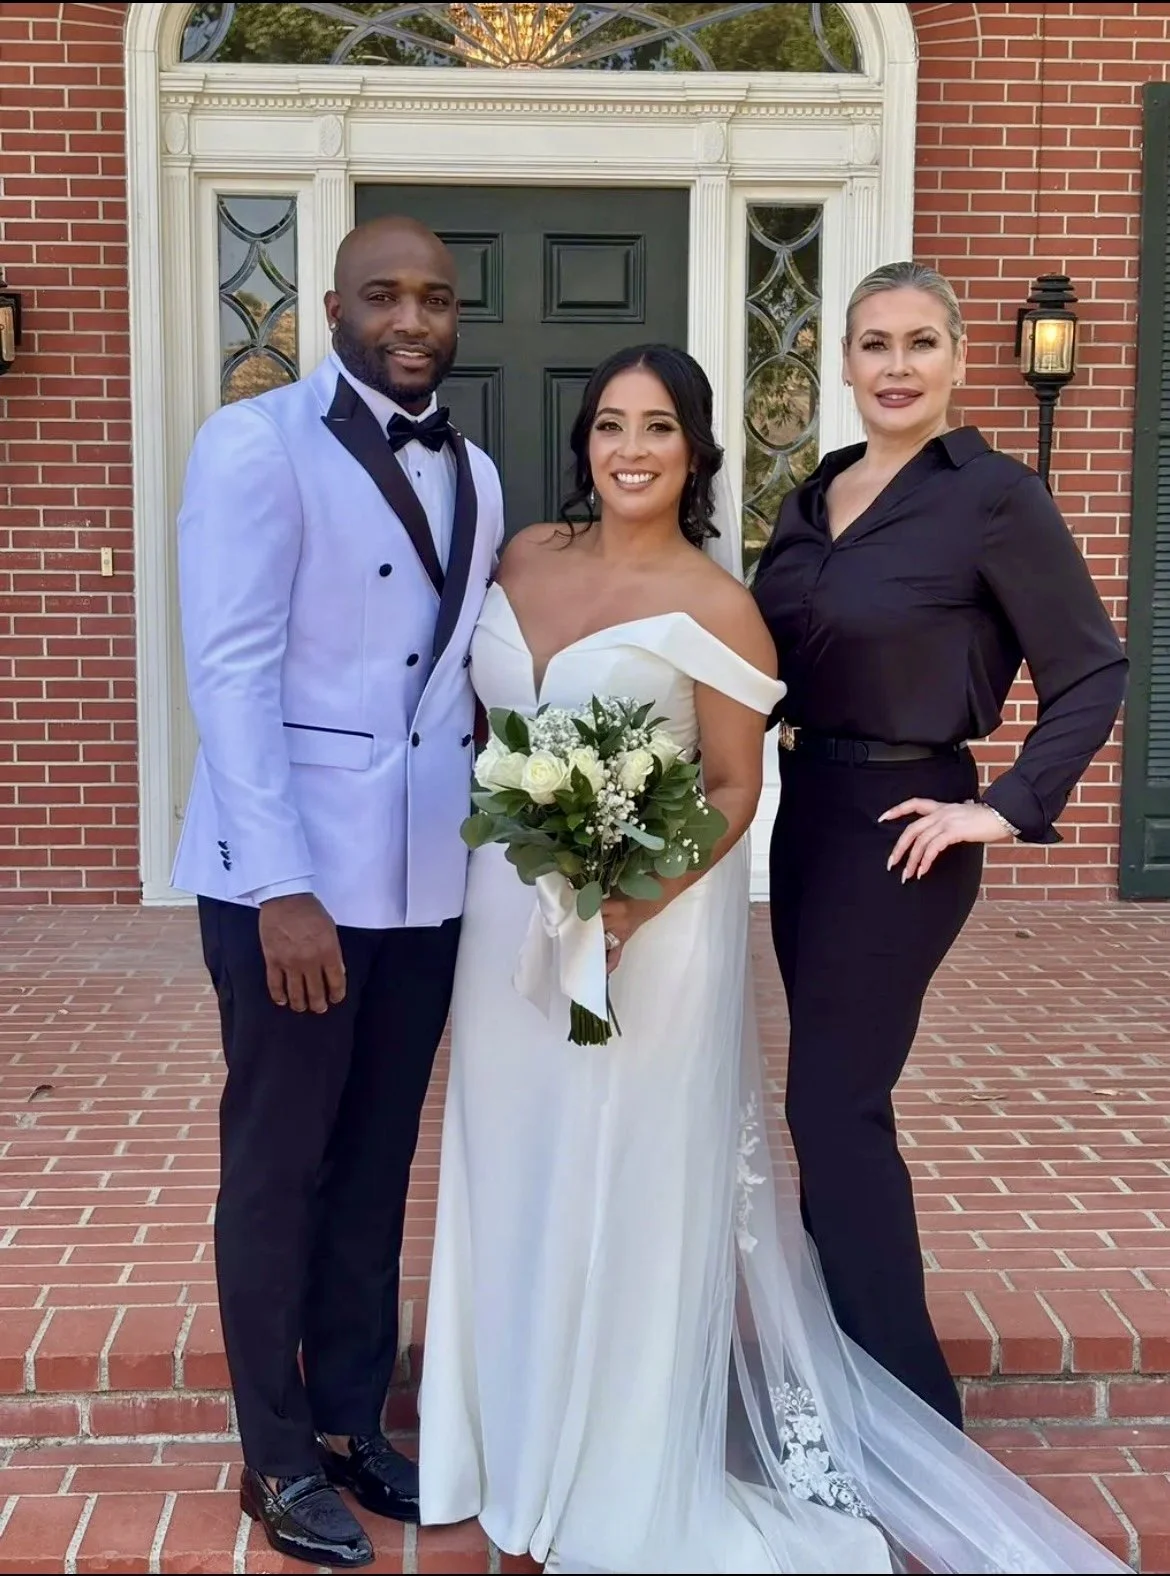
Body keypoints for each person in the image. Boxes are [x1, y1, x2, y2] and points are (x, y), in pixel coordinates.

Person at [417, 342, 1130, 1574]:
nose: (629, 448)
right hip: (509, 911)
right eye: (608, 425)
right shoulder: (530, 553)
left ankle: (631, 1443)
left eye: (657, 428)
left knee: (671, 1152)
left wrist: (628, 902)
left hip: (651, 918)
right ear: (582, 440)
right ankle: (502, 1429)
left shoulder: (721, 600)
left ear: (695, 452)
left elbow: (735, 786)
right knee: (513, 1148)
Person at [172, 215, 505, 1569]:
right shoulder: (254, 445)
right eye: (383, 295)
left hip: (425, 887)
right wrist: (282, 888)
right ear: (331, 305)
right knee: (277, 1166)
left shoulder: (476, 468)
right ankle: (272, 1457)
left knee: (374, 1170)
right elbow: (231, 676)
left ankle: (353, 1424)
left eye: (433, 298)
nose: (410, 320)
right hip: (291, 887)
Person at [751, 260, 1128, 1430]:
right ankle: (840, 1378)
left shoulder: (996, 496)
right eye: (873, 344)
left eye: (920, 343)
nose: (896, 367)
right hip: (804, 814)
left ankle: (911, 1419)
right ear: (845, 363)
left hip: (907, 828)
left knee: (833, 1106)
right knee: (825, 1102)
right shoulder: (815, 496)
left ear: (960, 359)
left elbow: (1093, 667)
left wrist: (1004, 805)